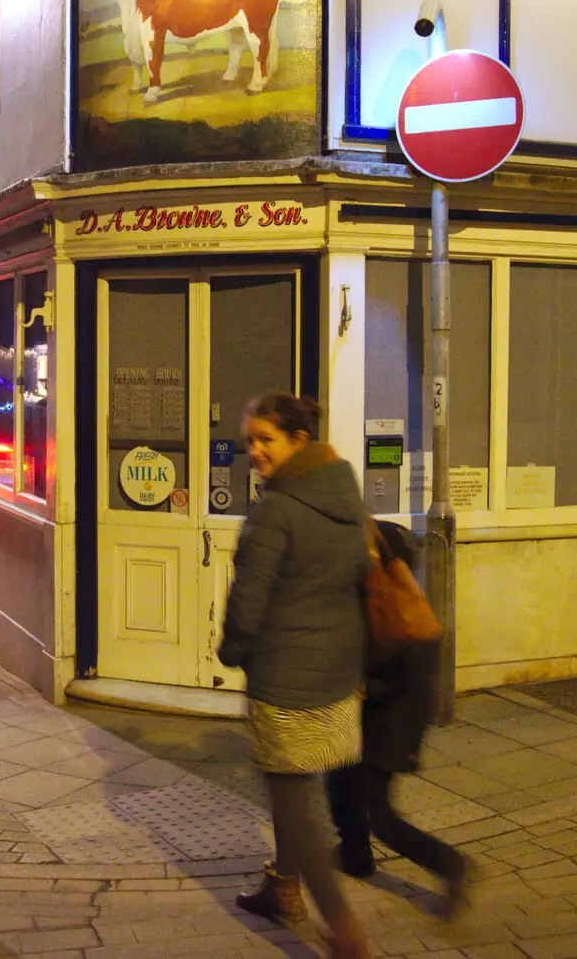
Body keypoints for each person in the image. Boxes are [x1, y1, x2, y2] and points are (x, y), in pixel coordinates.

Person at [218, 393, 371, 959]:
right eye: (250, 439)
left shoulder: (277, 508)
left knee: (289, 797)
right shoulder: (343, 493)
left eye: (266, 439)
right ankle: (282, 890)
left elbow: (248, 598)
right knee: (302, 781)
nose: (253, 450)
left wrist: (233, 649)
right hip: (335, 667)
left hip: (284, 673)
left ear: (297, 441)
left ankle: (343, 928)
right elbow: (356, 578)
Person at [326, 523, 470, 917]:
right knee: (340, 776)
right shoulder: (394, 590)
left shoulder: (385, 602)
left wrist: (359, 683)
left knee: (380, 814)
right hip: (385, 712)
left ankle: (449, 864)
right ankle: (354, 855)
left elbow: (388, 672)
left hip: (391, 719)